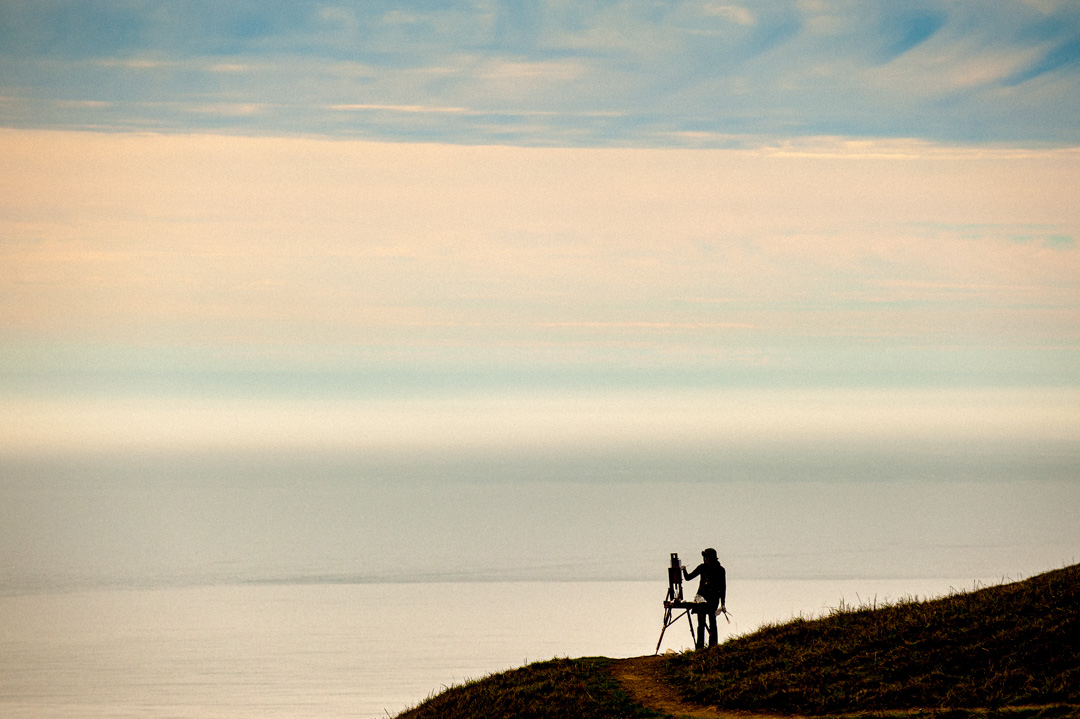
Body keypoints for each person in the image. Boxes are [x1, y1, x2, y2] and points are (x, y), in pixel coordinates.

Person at [682, 548, 726, 649]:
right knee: (701, 623)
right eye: (704, 557)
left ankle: (713, 645)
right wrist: (684, 570)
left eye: (707, 557)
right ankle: (700, 646)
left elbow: (723, 587)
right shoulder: (702, 567)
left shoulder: (720, 570)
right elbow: (688, 578)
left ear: (712, 558)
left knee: (712, 622)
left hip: (713, 599)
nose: (705, 559)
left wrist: (723, 603)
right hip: (701, 599)